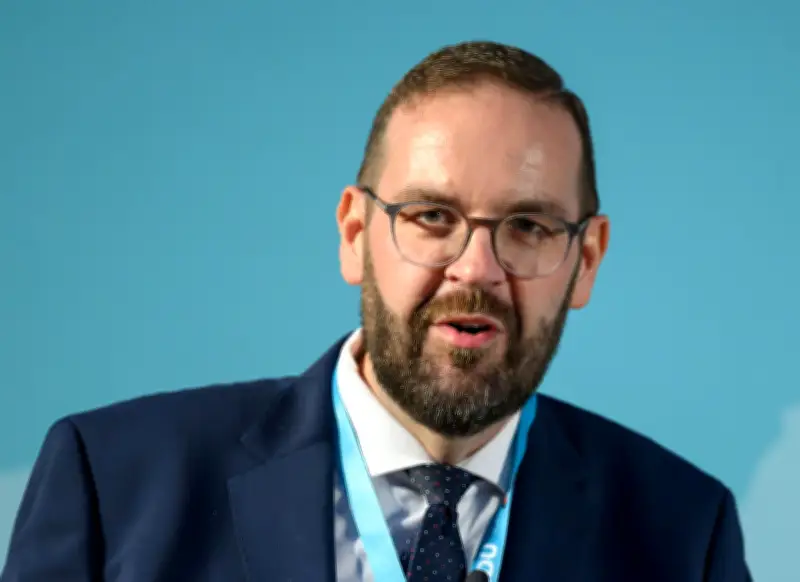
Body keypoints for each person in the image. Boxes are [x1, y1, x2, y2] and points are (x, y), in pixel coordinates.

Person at [1, 40, 751, 582]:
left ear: (586, 260)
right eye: (432, 217)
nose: (476, 269)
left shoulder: (686, 535)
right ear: (355, 235)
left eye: (529, 226)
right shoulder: (115, 486)